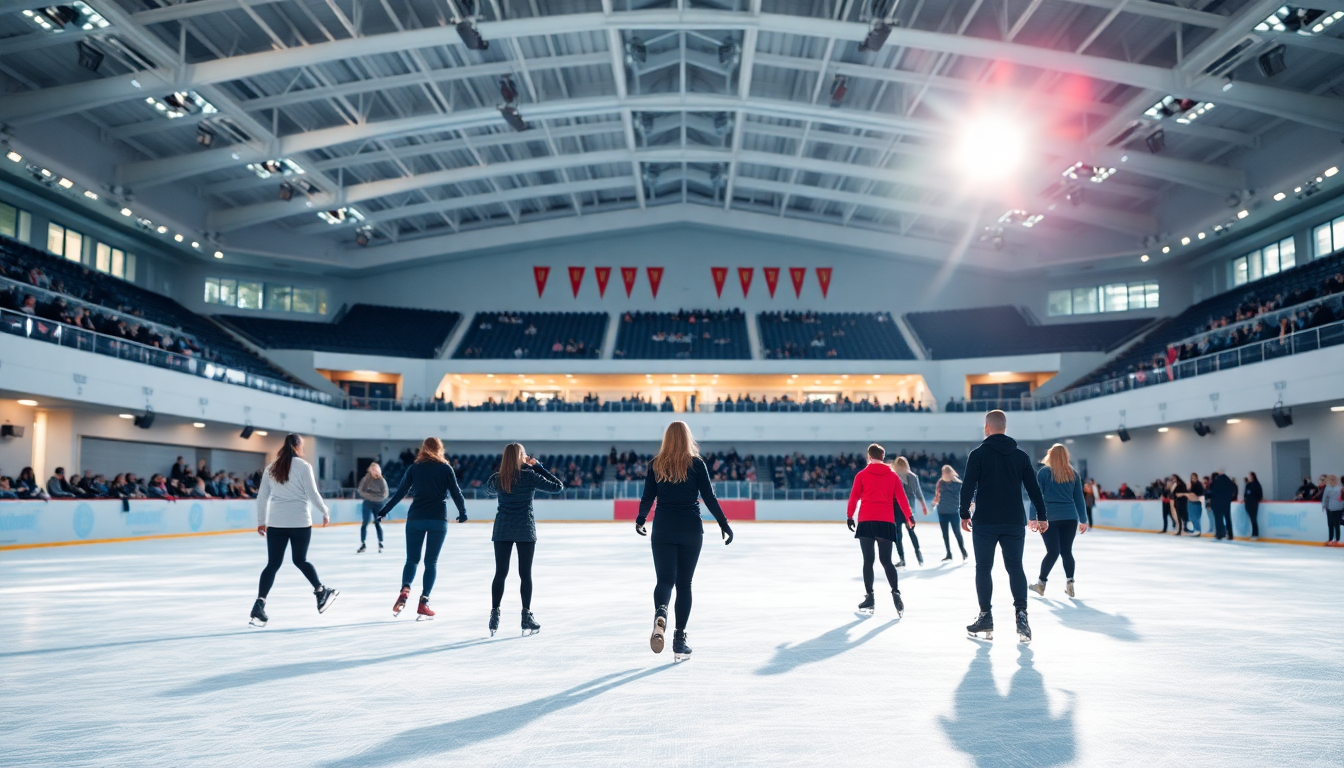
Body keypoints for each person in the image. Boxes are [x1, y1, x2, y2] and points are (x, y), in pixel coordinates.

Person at [635, 421, 734, 662]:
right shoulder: (697, 464)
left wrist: (640, 519)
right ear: (687, 438)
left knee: (665, 581)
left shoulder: (656, 465)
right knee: (685, 585)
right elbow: (709, 497)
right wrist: (724, 524)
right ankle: (679, 640)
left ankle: (661, 613)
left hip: (664, 529)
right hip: (690, 529)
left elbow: (648, 496)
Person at [959, 410, 1046, 643]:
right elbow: (1033, 488)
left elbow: (967, 486)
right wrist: (1042, 515)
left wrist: (964, 513)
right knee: (1015, 567)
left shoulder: (977, 454)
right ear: (1004, 428)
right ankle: (1022, 617)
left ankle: (985, 616)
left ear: (987, 428)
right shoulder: (1021, 456)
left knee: (983, 568)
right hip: (1013, 521)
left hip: (985, 521)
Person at [249, 434, 337, 627]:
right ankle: (320, 592)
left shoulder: (272, 467)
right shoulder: (304, 466)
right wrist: (325, 510)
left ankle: (259, 604)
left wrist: (261, 521)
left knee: (272, 564)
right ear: (297, 446)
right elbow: (312, 493)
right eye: (302, 445)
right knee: (300, 559)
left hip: (276, 523)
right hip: (299, 522)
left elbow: (262, 496)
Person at [376, 437, 468, 620]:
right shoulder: (445, 468)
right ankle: (423, 603)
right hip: (438, 519)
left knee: (412, 560)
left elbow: (400, 492)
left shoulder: (414, 468)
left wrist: (384, 510)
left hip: (416, 518)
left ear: (423, 449)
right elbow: (456, 492)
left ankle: (405, 589)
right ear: (440, 449)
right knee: (431, 562)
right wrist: (462, 512)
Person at [485, 443, 563, 636]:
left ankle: (495, 614)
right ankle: (526, 615)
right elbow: (558, 487)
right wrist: (537, 466)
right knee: (525, 574)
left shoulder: (499, 478)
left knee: (500, 572)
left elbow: (488, 489)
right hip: (524, 529)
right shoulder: (529, 476)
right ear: (521, 456)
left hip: (502, 528)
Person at [846, 444, 914, 617]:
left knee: (868, 561)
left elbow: (854, 496)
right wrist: (909, 516)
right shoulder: (892, 476)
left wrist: (849, 515)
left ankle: (870, 597)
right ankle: (896, 592)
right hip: (885, 522)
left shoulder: (861, 475)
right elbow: (901, 498)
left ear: (869, 456)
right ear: (882, 457)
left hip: (867, 521)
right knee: (887, 561)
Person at [1029, 444, 1088, 598]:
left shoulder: (1044, 473)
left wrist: (1032, 517)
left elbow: (1036, 496)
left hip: (1049, 519)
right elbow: (1079, 499)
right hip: (1070, 518)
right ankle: (1070, 583)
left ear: (1051, 456)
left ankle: (1041, 584)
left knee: (1053, 552)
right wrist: (1083, 520)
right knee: (1066, 551)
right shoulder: (1073, 474)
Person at [891, 456, 927, 567]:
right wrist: (923, 506)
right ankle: (917, 554)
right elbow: (918, 493)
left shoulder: (895, 476)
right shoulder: (911, 476)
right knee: (909, 532)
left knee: (899, 535)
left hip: (899, 509)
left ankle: (903, 558)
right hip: (907, 509)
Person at [932, 465, 968, 562]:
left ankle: (963, 552)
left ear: (949, 473)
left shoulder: (957, 484)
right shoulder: (940, 483)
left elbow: (964, 496)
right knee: (945, 534)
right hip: (942, 512)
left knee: (957, 533)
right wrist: (934, 503)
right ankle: (948, 553)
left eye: (944, 472)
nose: (943, 474)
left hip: (953, 511)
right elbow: (937, 494)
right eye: (942, 472)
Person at [356, 463, 388, 553]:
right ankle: (363, 544)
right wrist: (372, 496)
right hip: (368, 503)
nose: (373, 471)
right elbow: (360, 490)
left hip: (379, 504)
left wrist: (374, 497)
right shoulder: (366, 479)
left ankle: (380, 542)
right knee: (365, 523)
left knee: (378, 523)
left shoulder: (382, 480)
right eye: (372, 469)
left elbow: (385, 494)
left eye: (375, 470)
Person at [1207, 470, 1238, 541]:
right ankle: (1230, 534)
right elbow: (1233, 490)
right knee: (1227, 518)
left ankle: (1220, 533)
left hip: (1217, 502)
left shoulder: (1216, 482)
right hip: (1226, 503)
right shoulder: (1229, 482)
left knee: (1218, 519)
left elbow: (1210, 491)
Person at [1323, 474, 1343, 547]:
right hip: (1329, 508)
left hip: (1338, 508)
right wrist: (1324, 505)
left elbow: (1342, 498)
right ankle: (1330, 539)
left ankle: (1337, 540)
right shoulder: (1327, 487)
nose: (1332, 480)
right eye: (1331, 479)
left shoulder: (1340, 487)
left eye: (1334, 479)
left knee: (1336, 524)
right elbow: (1324, 497)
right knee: (1330, 524)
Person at [1243, 471, 1263, 540]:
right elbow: (1245, 494)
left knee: (1253, 518)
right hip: (1248, 504)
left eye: (1250, 476)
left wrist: (1255, 500)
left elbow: (1259, 495)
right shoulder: (1248, 485)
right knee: (1252, 519)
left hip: (1253, 503)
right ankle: (1253, 533)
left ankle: (1255, 533)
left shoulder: (1256, 485)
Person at [1186, 473, 1205, 537]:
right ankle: (1195, 529)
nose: (1193, 479)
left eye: (1194, 477)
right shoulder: (1190, 484)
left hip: (1196, 503)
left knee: (1195, 518)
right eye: (1192, 477)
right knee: (1191, 517)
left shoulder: (1198, 485)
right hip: (1190, 502)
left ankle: (1197, 530)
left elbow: (1199, 493)